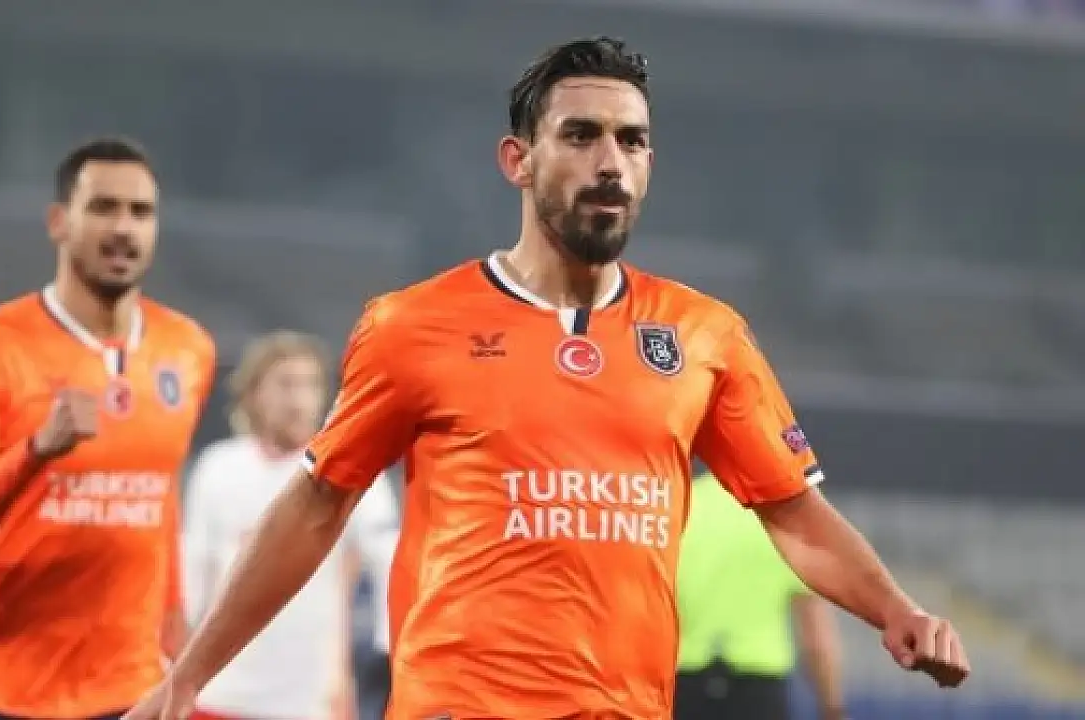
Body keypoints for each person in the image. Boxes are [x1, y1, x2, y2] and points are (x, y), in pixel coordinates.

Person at [125, 37, 970, 720]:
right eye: (580, 135)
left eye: (631, 141)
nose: (610, 161)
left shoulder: (705, 335)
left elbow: (792, 511)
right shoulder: (411, 326)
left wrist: (896, 611)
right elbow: (317, 504)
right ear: (518, 160)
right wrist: (189, 676)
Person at [0, 137, 216, 720]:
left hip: (126, 687)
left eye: (140, 212)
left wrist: (175, 639)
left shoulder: (188, 349)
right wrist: (35, 450)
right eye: (103, 208)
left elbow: (160, 497)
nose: (123, 228)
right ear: (59, 221)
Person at [181, 331, 399, 720]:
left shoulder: (349, 470)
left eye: (311, 385)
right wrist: (177, 666)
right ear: (253, 394)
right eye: (285, 385)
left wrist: (392, 648)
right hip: (221, 694)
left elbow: (389, 560)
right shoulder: (218, 467)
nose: (299, 401)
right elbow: (194, 571)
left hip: (311, 702)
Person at [676, 472, 846, 720]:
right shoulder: (783, 516)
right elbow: (816, 637)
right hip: (761, 685)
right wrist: (831, 706)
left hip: (685, 683)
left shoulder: (683, 505)